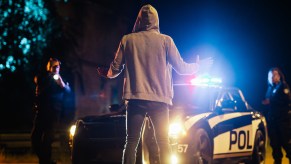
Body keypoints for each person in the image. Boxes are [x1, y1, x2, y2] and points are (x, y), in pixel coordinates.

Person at [98, 4, 213, 164]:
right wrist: (199, 66)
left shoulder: (128, 40)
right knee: (164, 143)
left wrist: (107, 73)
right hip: (160, 100)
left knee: (131, 142)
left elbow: (115, 69)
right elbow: (182, 68)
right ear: (156, 20)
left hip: (135, 99)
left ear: (138, 20)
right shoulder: (166, 41)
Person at [31, 58, 71, 164]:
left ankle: (46, 161)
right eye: (54, 66)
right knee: (35, 138)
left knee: (47, 140)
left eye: (58, 66)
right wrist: (49, 77)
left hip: (54, 114)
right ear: (49, 67)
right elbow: (38, 81)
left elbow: (68, 90)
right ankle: (46, 160)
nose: (56, 68)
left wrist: (61, 83)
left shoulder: (60, 79)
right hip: (41, 112)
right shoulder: (43, 77)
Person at [262, 67, 291, 164]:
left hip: (283, 120)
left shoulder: (283, 86)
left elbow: (287, 100)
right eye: (270, 76)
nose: (272, 77)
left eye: (274, 75)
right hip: (272, 120)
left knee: (285, 142)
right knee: (275, 143)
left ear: (279, 76)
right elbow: (267, 102)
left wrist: (271, 101)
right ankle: (277, 161)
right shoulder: (270, 89)